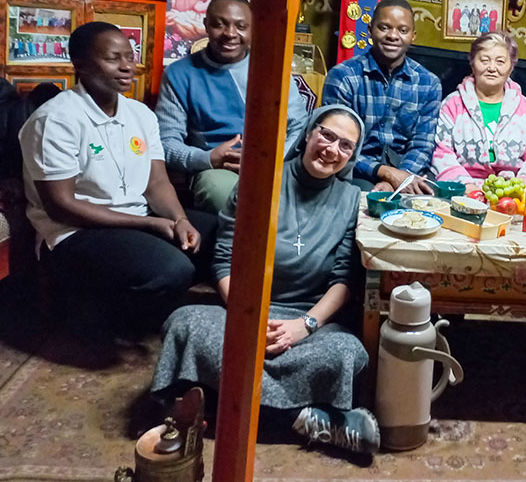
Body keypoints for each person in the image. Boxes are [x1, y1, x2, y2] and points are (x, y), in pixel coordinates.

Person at [152, 106, 378, 454]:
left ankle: (212, 405)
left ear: (352, 155)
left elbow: (343, 280)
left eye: (345, 146)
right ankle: (304, 420)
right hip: (246, 308)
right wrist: (250, 317)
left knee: (346, 352)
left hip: (306, 319)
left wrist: (304, 325)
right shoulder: (261, 180)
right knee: (185, 324)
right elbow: (225, 260)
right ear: (308, 134)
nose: (332, 149)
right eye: (327, 135)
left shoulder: (351, 200)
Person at [19, 22, 216, 334]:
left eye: (130, 55)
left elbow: (157, 183)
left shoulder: (140, 115)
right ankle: (98, 315)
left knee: (223, 234)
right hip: (75, 233)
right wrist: (149, 224)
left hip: (135, 218)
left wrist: (178, 219)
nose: (127, 66)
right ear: (80, 65)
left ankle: (139, 302)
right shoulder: (55, 120)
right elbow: (61, 206)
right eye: (113, 58)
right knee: (171, 269)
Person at [156, 0, 308, 213]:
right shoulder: (179, 74)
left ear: (252, 29)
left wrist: (271, 161)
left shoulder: (273, 70)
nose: (230, 34)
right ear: (206, 25)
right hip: (217, 169)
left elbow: (299, 127)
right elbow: (166, 144)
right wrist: (208, 158)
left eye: (241, 26)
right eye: (219, 24)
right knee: (223, 194)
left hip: (274, 165)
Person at [322, 0, 441, 194]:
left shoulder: (428, 83)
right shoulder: (343, 76)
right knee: (362, 199)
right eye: (384, 28)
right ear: (370, 31)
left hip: (407, 170)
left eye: (402, 30)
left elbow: (423, 144)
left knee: (433, 199)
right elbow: (335, 143)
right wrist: (384, 173)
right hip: (354, 170)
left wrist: (399, 177)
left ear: (413, 36)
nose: (393, 36)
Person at [432, 32, 526, 184]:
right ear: (472, 63)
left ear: (511, 67)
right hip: (462, 189)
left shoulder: (524, 107)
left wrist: (520, 184)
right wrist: (466, 185)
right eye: (484, 60)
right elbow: (441, 152)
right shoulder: (453, 104)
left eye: (500, 62)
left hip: (511, 191)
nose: (492, 68)